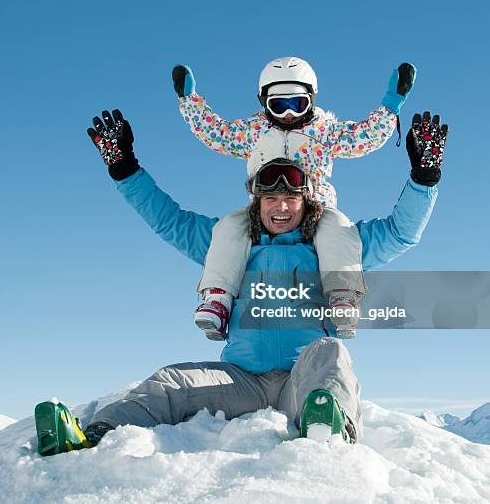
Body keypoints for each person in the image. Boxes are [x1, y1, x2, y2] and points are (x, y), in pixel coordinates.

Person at [33, 108, 448, 455]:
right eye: (271, 198)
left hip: (300, 383)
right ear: (257, 200)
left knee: (330, 354)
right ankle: (90, 438)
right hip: (241, 380)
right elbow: (168, 219)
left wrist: (424, 177)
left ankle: (329, 431)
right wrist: (124, 168)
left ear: (308, 201)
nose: (281, 207)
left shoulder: (334, 247)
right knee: (171, 380)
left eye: (291, 198)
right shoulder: (231, 244)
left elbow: (400, 233)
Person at [172, 58, 416, 340]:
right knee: (229, 228)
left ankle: (342, 294)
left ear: (311, 100)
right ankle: (217, 296)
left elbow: (363, 137)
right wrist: (190, 101)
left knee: (338, 229)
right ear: (264, 103)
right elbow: (217, 134)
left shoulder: (324, 131)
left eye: (297, 104)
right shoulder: (253, 132)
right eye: (279, 105)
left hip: (315, 208)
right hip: (262, 211)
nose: (288, 114)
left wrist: (391, 105)